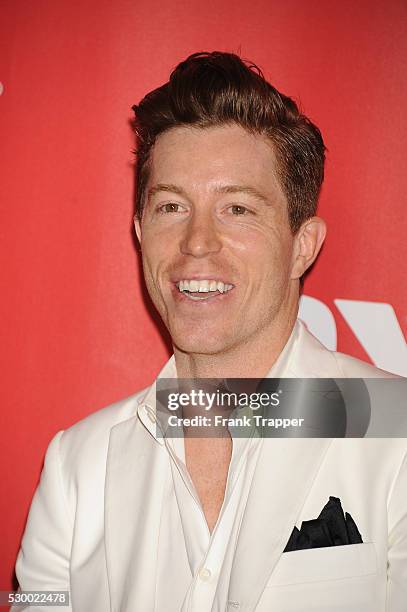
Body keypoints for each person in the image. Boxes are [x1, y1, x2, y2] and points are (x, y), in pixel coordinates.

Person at [13, 51, 407, 611]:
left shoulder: (399, 435)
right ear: (139, 232)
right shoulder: (77, 464)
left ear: (303, 245)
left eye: (238, 210)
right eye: (171, 206)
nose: (197, 243)